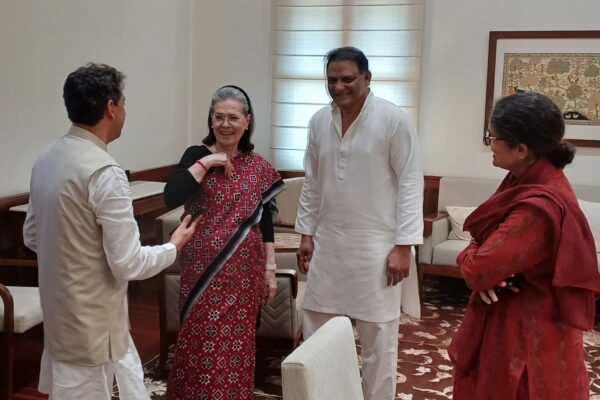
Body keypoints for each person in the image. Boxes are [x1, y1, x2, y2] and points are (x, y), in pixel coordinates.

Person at [23, 63, 199, 399]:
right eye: (125, 103)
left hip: (60, 311)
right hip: (93, 321)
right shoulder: (105, 172)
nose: (125, 112)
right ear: (111, 107)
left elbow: (32, 236)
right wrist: (173, 246)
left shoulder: (46, 158)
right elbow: (129, 263)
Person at [449, 92, 600, 399]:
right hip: (516, 314)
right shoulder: (528, 178)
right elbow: (485, 248)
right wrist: (479, 252)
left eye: (493, 137)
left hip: (525, 330)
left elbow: (478, 270)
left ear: (521, 149)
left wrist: (471, 254)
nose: (489, 144)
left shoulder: (537, 208)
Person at [295, 46, 424, 400]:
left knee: (378, 340)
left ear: (367, 78)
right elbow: (312, 182)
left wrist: (404, 246)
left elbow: (411, 183)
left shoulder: (394, 119)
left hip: (378, 247)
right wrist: (306, 233)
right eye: (332, 79)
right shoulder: (319, 121)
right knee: (316, 328)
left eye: (348, 79)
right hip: (328, 242)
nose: (339, 87)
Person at [164, 85, 285, 399]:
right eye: (219, 117)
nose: (225, 124)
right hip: (201, 272)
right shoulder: (196, 156)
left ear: (247, 121)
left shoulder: (259, 167)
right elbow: (172, 195)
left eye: (233, 117)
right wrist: (209, 162)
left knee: (237, 345)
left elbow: (265, 223)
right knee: (199, 340)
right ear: (211, 119)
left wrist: (270, 269)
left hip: (244, 276)